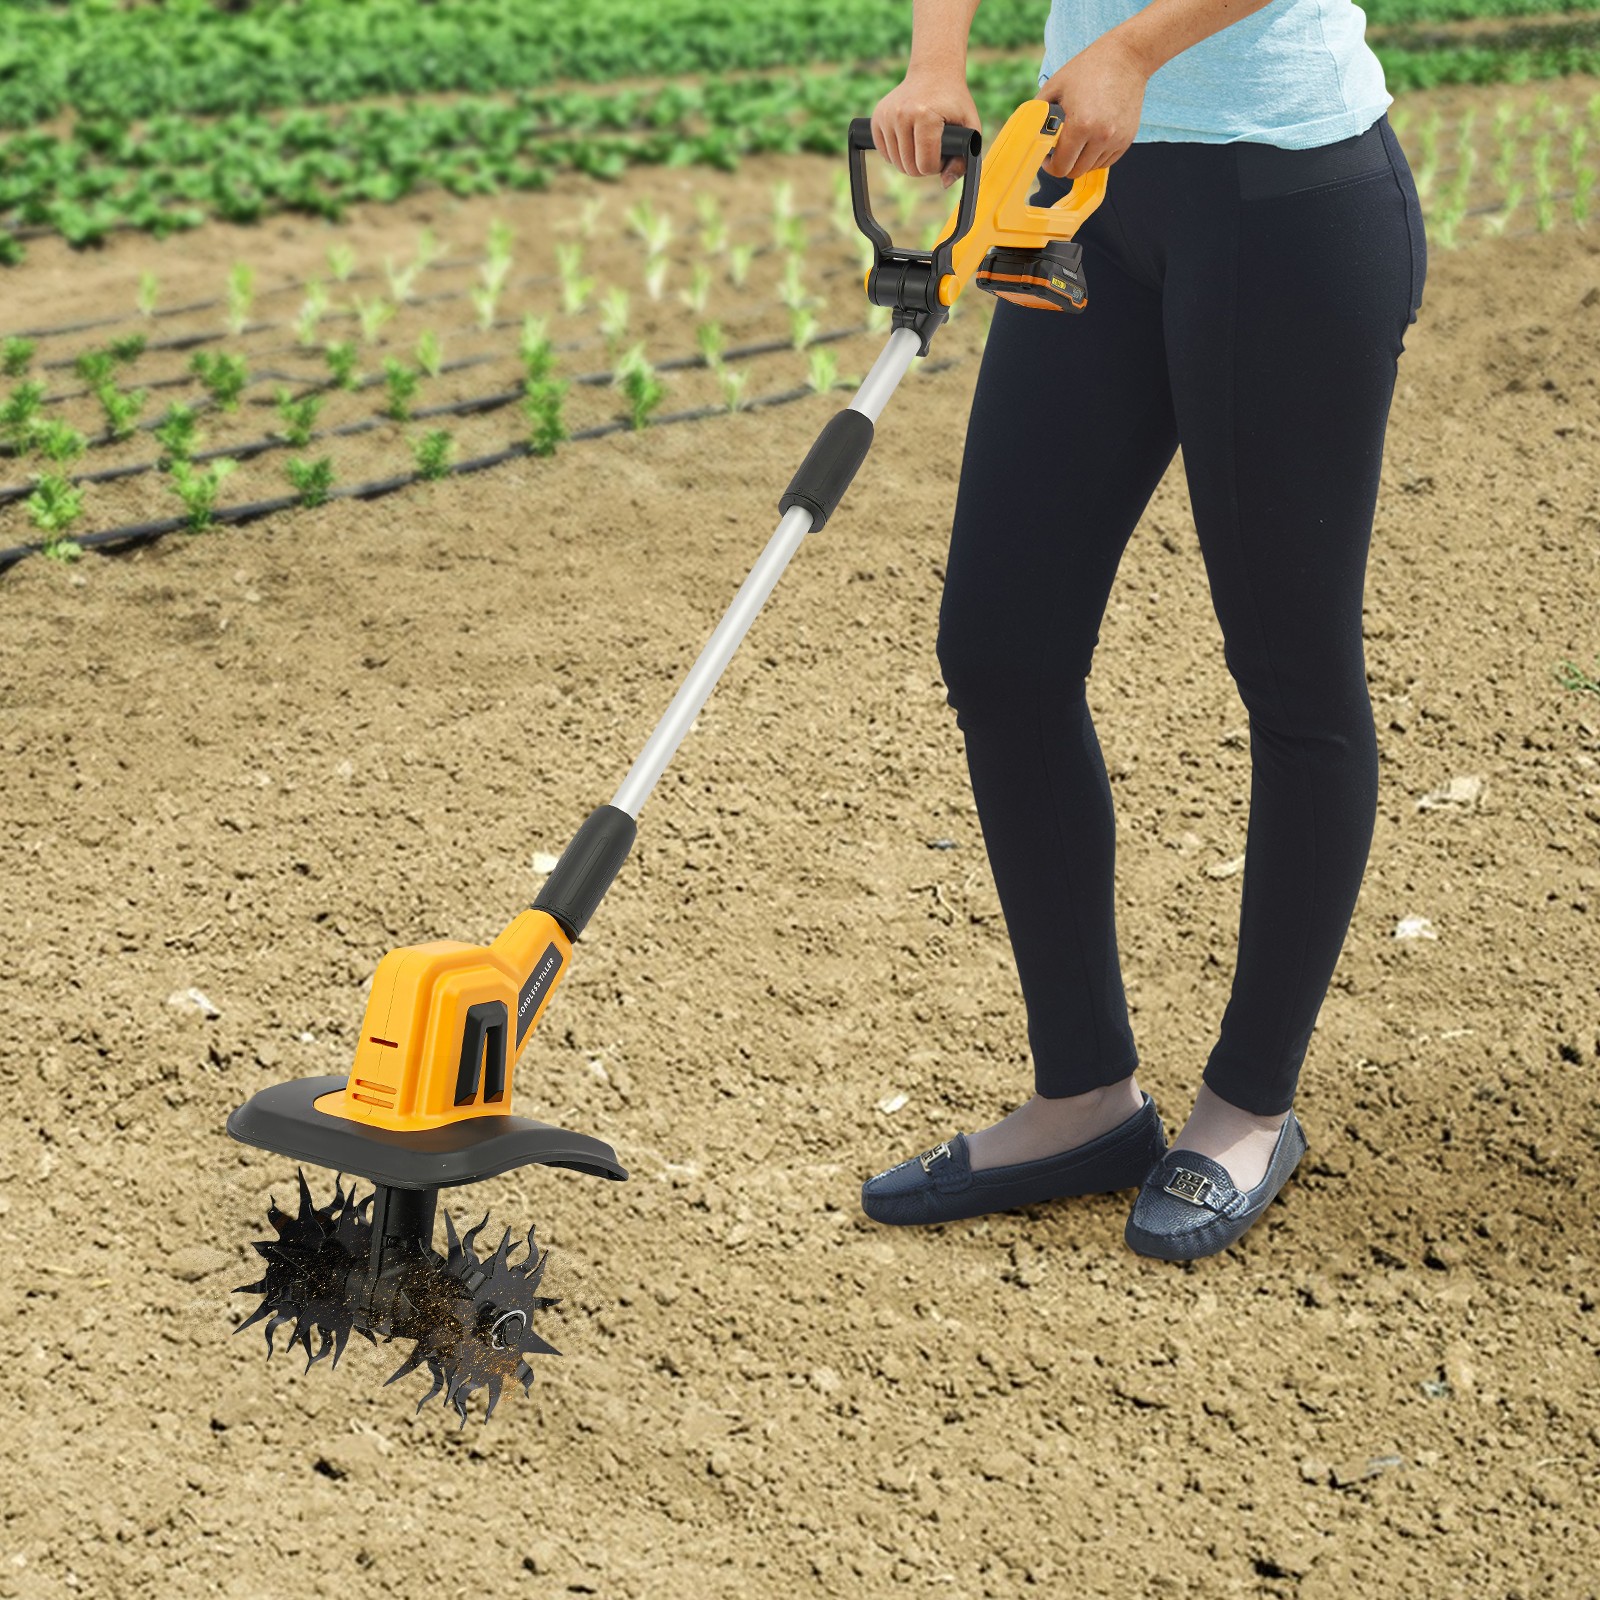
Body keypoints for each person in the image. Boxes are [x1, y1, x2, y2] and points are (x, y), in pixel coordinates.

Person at [858, 0, 1427, 1259]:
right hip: (1087, 194)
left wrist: (1133, 49)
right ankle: (1084, 1099)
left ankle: (1248, 1108)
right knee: (1001, 649)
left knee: (1291, 673)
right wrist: (936, 60)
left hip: (1285, 195)